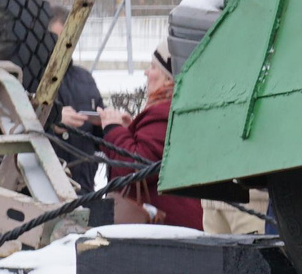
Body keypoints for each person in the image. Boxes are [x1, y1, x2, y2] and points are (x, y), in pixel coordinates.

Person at [59, 49, 202, 229]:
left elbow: (135, 166)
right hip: (175, 223)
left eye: (153, 67)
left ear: (168, 78)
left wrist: (113, 128)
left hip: (164, 226)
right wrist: (129, 131)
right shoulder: (176, 108)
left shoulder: (164, 112)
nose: (146, 72)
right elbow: (155, 153)